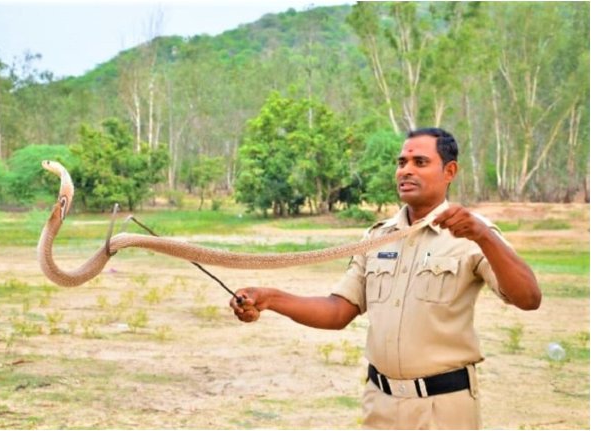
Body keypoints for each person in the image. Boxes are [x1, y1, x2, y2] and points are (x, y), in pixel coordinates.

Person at [229, 127, 541, 429]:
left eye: (420, 162)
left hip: (443, 409)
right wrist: (269, 298)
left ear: (449, 171)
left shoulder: (471, 233)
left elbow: (528, 298)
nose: (406, 170)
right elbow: (338, 311)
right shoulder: (378, 237)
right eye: (402, 162)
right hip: (380, 404)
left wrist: (483, 236)